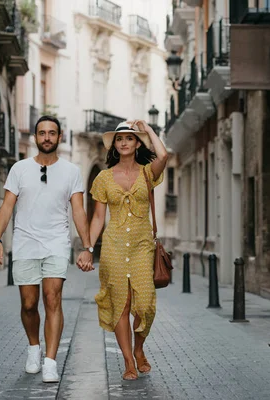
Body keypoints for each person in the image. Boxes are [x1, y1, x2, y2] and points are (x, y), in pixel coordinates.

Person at [0, 115, 94, 383]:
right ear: (35, 137)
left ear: (60, 137)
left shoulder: (71, 171)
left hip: (56, 243)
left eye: (52, 133)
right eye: (42, 133)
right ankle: (33, 348)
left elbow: (79, 211)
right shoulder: (19, 169)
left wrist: (87, 246)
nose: (47, 137)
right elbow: (7, 206)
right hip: (25, 243)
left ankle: (50, 361)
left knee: (53, 299)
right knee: (28, 304)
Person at [84, 120, 168, 380]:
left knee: (145, 304)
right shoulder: (103, 178)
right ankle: (129, 360)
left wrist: (148, 129)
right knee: (121, 302)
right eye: (119, 139)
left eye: (129, 138)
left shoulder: (147, 173)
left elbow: (163, 155)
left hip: (143, 246)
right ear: (115, 145)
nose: (123, 142)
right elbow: (98, 218)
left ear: (137, 143)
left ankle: (139, 348)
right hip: (114, 246)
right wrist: (87, 247)